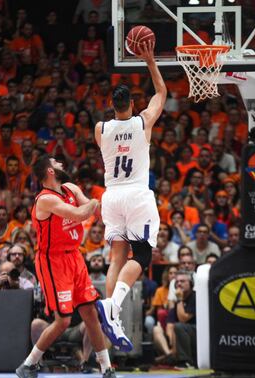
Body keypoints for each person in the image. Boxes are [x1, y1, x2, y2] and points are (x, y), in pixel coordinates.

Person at [15, 155, 121, 378]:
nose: (61, 163)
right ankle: (29, 365)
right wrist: (94, 203)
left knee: (91, 313)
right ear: (49, 172)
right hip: (53, 260)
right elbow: (82, 214)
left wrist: (95, 204)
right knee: (63, 320)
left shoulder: (70, 188)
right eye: (56, 162)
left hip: (74, 256)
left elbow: (90, 210)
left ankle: (107, 370)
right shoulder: (44, 200)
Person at [94, 40, 167, 352]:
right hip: (137, 195)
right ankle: (113, 307)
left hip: (111, 196)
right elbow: (161, 94)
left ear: (112, 106)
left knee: (117, 258)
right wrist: (150, 61)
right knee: (144, 256)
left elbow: (113, 125)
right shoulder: (142, 122)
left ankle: (112, 314)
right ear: (133, 106)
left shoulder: (100, 128)